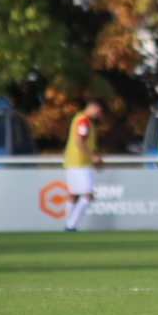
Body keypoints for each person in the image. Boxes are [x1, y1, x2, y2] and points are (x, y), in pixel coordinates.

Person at [62, 98, 105, 232]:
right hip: (80, 163)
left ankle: (68, 224)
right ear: (93, 106)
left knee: (73, 194)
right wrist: (92, 157)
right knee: (88, 194)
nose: (99, 115)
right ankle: (71, 225)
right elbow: (79, 141)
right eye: (99, 111)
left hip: (73, 161)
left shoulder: (80, 119)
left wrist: (94, 157)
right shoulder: (84, 121)